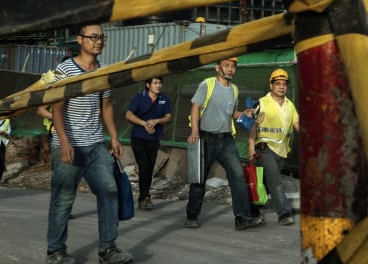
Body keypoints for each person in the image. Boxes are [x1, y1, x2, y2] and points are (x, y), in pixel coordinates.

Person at [46, 24, 134, 264]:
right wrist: (63, 141)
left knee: (109, 190)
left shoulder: (104, 71)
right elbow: (56, 107)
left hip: (95, 145)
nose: (98, 41)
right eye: (92, 37)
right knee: (63, 199)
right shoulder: (65, 70)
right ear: (80, 39)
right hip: (69, 145)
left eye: (101, 37)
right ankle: (55, 251)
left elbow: (106, 105)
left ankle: (107, 250)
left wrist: (114, 138)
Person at [186, 57, 261, 231]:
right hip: (205, 138)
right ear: (217, 67)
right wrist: (195, 131)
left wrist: (245, 113)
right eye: (226, 66)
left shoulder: (234, 90)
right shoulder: (207, 84)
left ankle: (242, 217)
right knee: (199, 179)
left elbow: (231, 113)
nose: (230, 69)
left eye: (233, 67)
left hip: (226, 140)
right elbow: (195, 107)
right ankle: (192, 215)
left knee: (238, 176)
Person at [248, 68, 300, 226]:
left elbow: (297, 124)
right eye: (277, 84)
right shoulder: (262, 103)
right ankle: (284, 214)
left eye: (284, 84)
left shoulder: (290, 105)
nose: (281, 87)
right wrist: (251, 148)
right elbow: (252, 127)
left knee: (265, 184)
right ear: (271, 85)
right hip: (264, 149)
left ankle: (251, 211)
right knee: (276, 182)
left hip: (282, 151)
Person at [125, 77, 173, 210]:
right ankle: (144, 197)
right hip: (139, 138)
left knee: (150, 169)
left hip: (154, 139)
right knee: (144, 167)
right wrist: (144, 123)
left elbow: (168, 117)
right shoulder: (139, 97)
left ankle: (144, 196)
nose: (158, 86)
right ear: (148, 84)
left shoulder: (164, 98)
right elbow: (128, 115)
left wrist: (156, 121)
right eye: (155, 83)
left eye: (160, 83)